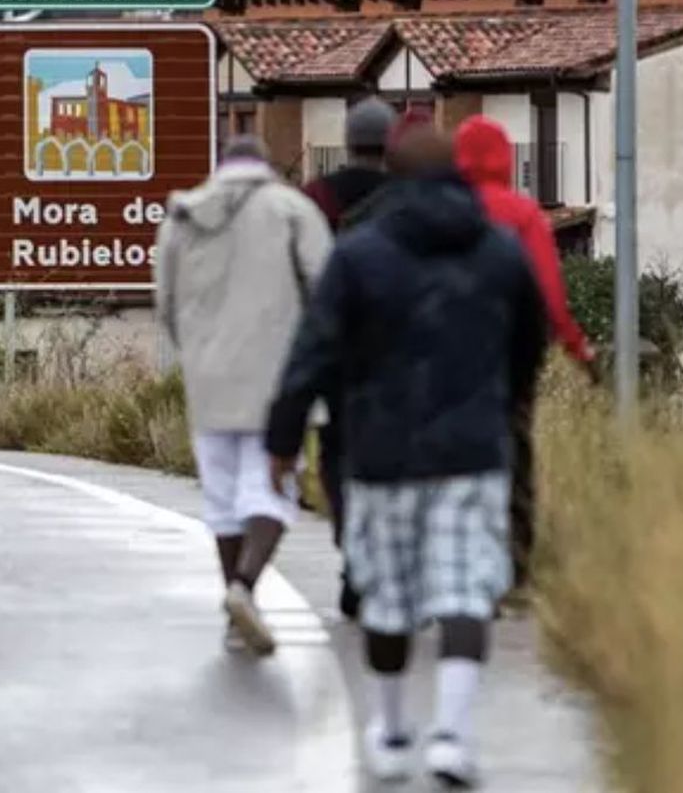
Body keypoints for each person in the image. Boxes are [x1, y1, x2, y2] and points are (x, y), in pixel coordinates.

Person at [267, 126, 547, 786]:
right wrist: (502, 407)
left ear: (390, 175)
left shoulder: (359, 256)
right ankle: (452, 734)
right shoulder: (502, 253)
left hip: (381, 453)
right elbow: (528, 344)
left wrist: (283, 440)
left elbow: (314, 352)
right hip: (473, 449)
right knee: (464, 592)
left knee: (388, 602)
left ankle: (391, 729)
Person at [155, 134, 332, 656]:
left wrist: (195, 353)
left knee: (224, 498)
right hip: (279, 378)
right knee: (270, 490)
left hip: (208, 378)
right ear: (265, 167)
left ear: (220, 168)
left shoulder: (181, 218)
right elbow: (324, 289)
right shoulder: (293, 210)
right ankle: (245, 587)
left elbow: (164, 302)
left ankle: (237, 611)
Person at [452, 116, 598, 592]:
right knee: (515, 449)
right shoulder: (522, 213)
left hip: (449, 354)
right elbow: (548, 291)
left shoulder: (445, 211)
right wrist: (577, 347)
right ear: (505, 159)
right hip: (512, 352)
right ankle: (515, 563)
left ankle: (455, 551)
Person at [300, 97, 398, 620]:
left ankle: (351, 546)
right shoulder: (406, 197)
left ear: (348, 140)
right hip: (402, 353)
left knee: (338, 456)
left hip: (339, 352)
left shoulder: (317, 197)